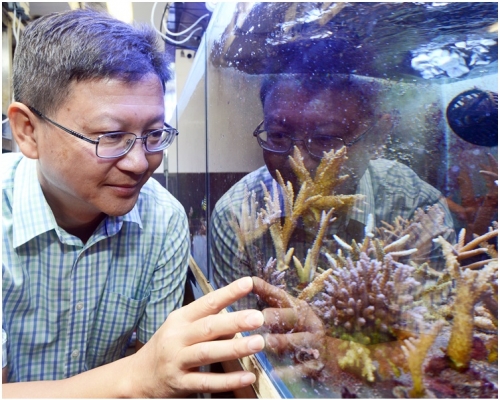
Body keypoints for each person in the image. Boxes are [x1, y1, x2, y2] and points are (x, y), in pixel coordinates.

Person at [2, 9, 267, 397]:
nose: (140, 163)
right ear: (28, 131)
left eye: (154, 133)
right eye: (110, 136)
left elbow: (162, 371)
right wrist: (134, 377)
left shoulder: (163, 220)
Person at [210, 73, 456, 310]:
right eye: (278, 135)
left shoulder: (418, 208)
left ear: (377, 136)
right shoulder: (236, 213)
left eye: (325, 139)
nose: (300, 161)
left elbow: (435, 332)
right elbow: (240, 339)